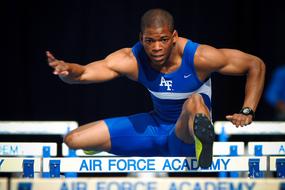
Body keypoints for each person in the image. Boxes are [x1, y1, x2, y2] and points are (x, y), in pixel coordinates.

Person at [47, 9, 265, 168]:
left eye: (163, 39)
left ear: (174, 37)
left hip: (185, 133)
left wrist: (247, 110)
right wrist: (68, 70)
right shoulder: (131, 59)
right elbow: (84, 73)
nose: (157, 47)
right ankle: (107, 145)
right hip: (153, 129)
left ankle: (202, 143)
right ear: (141, 39)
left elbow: (255, 65)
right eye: (150, 41)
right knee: (72, 140)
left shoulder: (200, 57)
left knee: (195, 102)